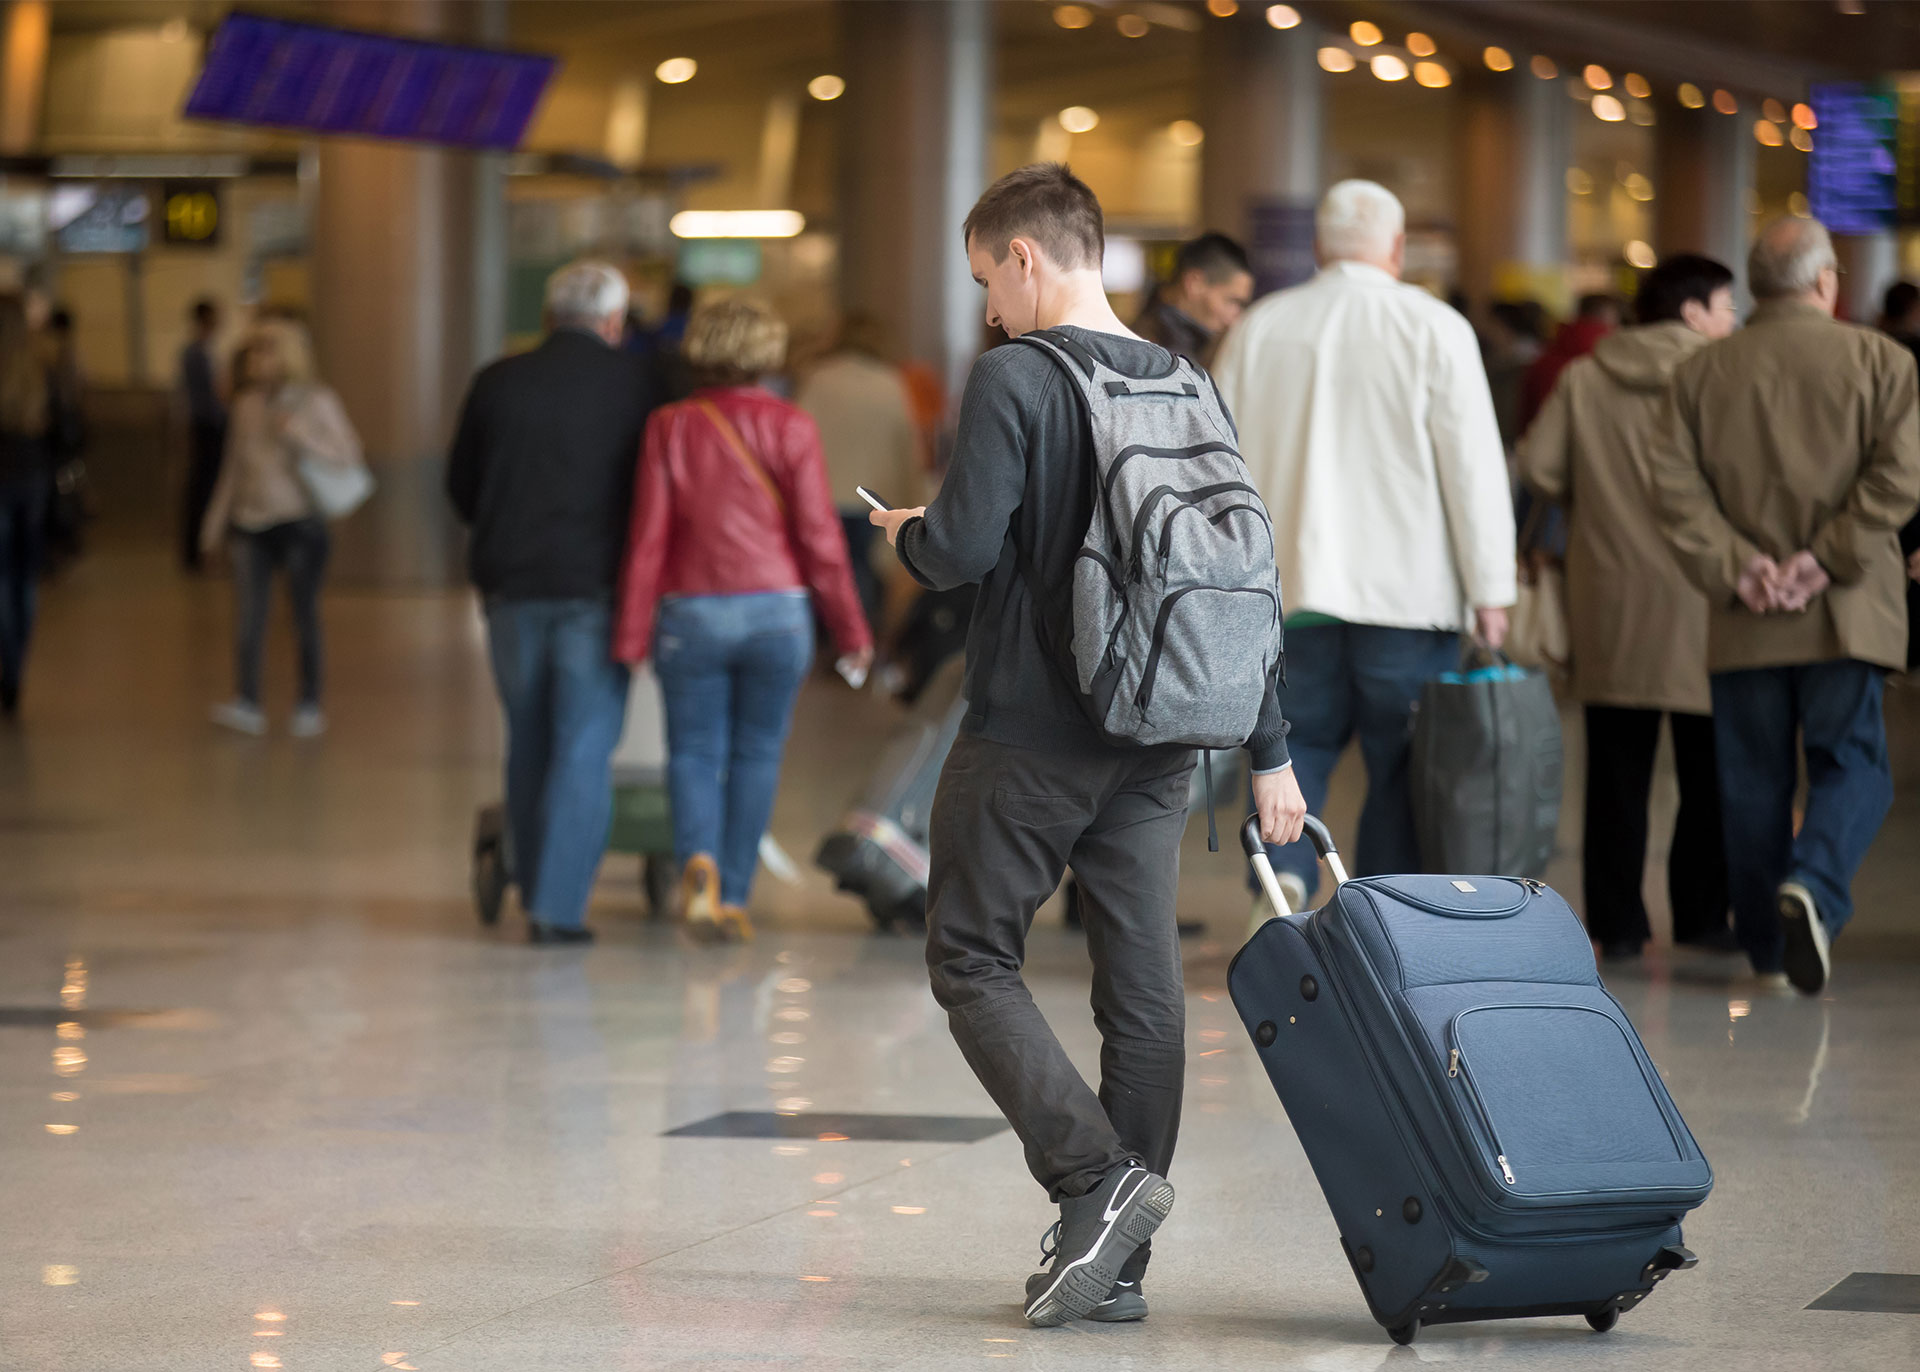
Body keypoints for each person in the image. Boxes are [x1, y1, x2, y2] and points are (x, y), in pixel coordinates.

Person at [867, 163, 1305, 1329]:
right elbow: (1236, 568)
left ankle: (1094, 1182)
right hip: (1165, 730)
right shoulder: (1188, 378)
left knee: (971, 954)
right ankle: (1121, 1263)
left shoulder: (1016, 375)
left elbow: (961, 551)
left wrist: (908, 534)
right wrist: (1270, 746)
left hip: (1033, 732)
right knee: (1141, 983)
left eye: (987, 280)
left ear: (1025, 255)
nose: (988, 309)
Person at [1213, 179, 1516, 915]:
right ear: (1398, 248)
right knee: (1403, 771)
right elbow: (1472, 470)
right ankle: (1385, 912)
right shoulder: (1436, 327)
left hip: (1285, 596)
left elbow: (1214, 460)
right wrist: (1492, 591)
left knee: (1291, 749)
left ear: (1319, 246)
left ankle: (1283, 881)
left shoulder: (1260, 326)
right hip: (1407, 602)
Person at [1648, 217, 1920, 995]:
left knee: (1750, 781)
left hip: (1746, 614)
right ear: (1826, 280)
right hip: (1846, 607)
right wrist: (1823, 559)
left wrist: (1740, 566)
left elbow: (1672, 488)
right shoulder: (1881, 361)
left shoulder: (1699, 373)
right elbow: (1899, 478)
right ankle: (1815, 886)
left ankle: (1768, 950)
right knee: (1854, 765)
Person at [616, 299, 870, 943]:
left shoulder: (669, 426)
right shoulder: (792, 425)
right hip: (776, 613)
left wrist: (632, 633)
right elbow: (819, 538)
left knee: (692, 751)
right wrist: (852, 632)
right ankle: (732, 893)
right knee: (757, 752)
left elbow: (647, 539)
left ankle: (697, 861)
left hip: (692, 611)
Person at [1518, 255, 1740, 960]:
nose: (1733, 319)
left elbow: (1540, 466)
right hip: (1708, 595)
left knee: (1616, 769)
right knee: (1708, 768)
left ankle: (1617, 926)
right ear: (1693, 311)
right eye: (1727, 306)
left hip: (1610, 592)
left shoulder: (1587, 378)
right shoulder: (1725, 375)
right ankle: (1702, 917)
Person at [447, 261, 659, 945]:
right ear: (614, 321)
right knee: (583, 744)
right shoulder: (639, 385)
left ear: (548, 316)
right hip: (596, 588)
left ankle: (533, 877)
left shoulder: (497, 381)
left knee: (528, 736)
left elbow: (460, 486)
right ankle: (556, 907)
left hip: (510, 589)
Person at [201, 319, 358, 740]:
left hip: (299, 523)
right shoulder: (244, 405)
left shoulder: (316, 400)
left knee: (303, 615)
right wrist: (212, 527)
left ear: (288, 354)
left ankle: (309, 702)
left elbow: (347, 453)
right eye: (254, 349)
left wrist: (299, 433)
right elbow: (232, 470)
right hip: (250, 524)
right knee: (248, 617)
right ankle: (247, 701)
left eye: (266, 349)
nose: (256, 358)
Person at [794, 314, 922, 630]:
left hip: (825, 493)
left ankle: (833, 640)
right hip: (873, 495)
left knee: (827, 570)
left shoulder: (818, 378)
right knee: (865, 569)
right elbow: (905, 444)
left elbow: (796, 438)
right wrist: (913, 494)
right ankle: (860, 640)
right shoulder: (890, 382)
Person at [0, 295, 54, 718]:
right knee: (24, 578)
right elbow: (68, 428)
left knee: (1, 577)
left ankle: (7, 667)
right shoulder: (41, 369)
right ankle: (16, 670)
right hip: (33, 479)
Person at [1130, 231, 1254, 365]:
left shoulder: (1187, 344)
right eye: (1231, 301)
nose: (1235, 318)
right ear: (1195, 283)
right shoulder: (1150, 351)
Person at [1519, 292, 1621, 433]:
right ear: (1607, 316)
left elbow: (1526, 417)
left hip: (1546, 440)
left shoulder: (1544, 358)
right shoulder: (1614, 360)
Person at [180, 298, 226, 572]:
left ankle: (199, 548)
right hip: (207, 427)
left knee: (204, 486)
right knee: (203, 488)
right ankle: (196, 550)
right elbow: (208, 398)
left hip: (209, 425)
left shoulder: (203, 351)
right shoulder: (196, 353)